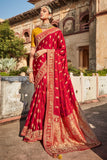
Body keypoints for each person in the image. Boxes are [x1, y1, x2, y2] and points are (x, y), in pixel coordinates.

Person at [21, 5, 101, 159]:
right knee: (39, 96)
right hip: (39, 68)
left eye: (44, 11)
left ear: (50, 15)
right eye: (40, 11)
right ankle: (37, 130)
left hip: (51, 69)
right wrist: (30, 71)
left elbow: (62, 51)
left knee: (49, 97)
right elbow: (32, 52)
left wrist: (46, 51)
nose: (41, 13)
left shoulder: (56, 31)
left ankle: (50, 132)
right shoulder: (35, 31)